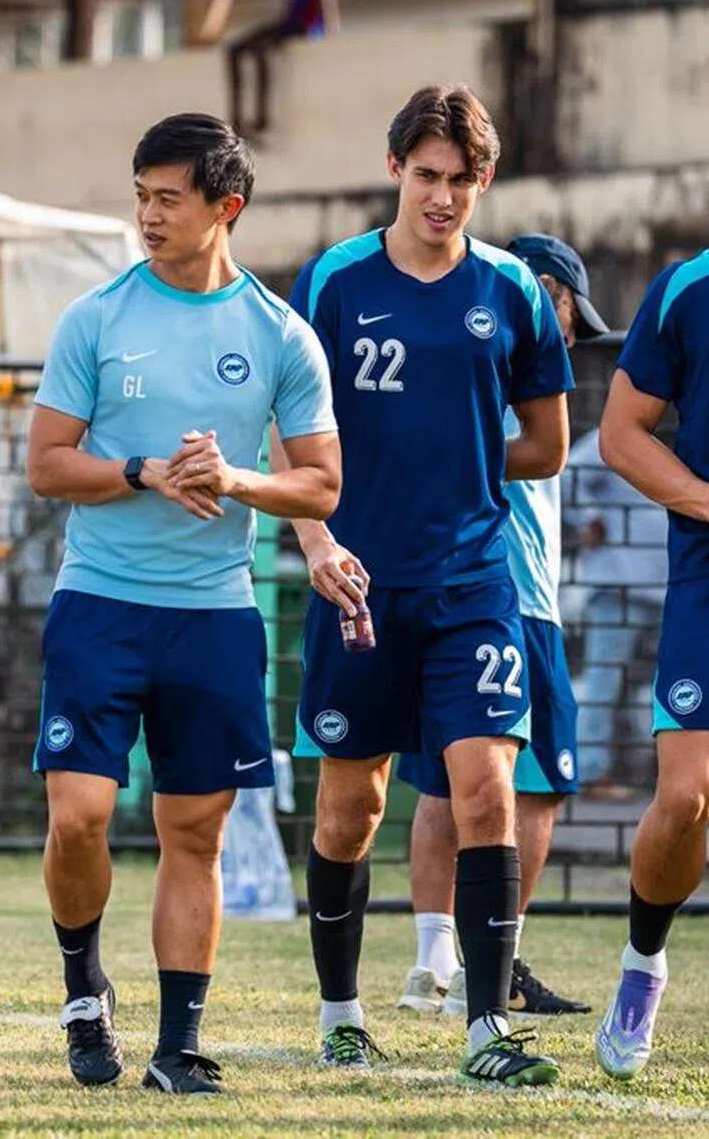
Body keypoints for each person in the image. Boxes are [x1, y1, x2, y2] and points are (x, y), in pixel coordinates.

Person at [26, 112, 339, 1096]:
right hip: (101, 607)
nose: (147, 215)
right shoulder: (96, 317)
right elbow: (46, 463)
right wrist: (142, 471)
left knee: (194, 832)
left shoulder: (282, 335)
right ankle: (85, 989)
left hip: (214, 616)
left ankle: (179, 1046)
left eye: (168, 198)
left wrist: (238, 480)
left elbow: (322, 486)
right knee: (78, 816)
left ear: (225, 208)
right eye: (141, 195)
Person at [279, 85, 572, 1085]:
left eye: (464, 181)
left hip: (474, 581)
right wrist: (317, 542)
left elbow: (546, 444)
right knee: (349, 813)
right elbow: (284, 428)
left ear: (485, 183)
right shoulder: (333, 280)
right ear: (395, 167)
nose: (444, 197)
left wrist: (463, 459)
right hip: (358, 583)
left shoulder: (513, 291)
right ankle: (342, 1014)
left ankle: (487, 1026)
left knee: (486, 785)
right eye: (428, 176)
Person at [395, 234, 608, 1020]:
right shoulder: (497, 348)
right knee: (531, 786)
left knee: (453, 782)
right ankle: (481, 963)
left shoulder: (484, 355)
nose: (576, 333)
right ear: (540, 289)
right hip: (503, 594)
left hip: (469, 589)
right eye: (569, 311)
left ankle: (446, 962)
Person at [593, 247, 709, 1079]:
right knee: (686, 796)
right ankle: (642, 965)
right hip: (704, 575)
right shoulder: (686, 287)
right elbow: (621, 434)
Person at [566, 425, 667, 798]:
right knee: (603, 682)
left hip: (668, 584)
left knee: (674, 684)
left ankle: (680, 772)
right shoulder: (610, 434)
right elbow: (567, 474)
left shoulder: (681, 434)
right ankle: (593, 774)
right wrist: (588, 518)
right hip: (618, 582)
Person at [226, 0, 339, 139]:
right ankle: (240, 116)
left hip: (304, 28)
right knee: (236, 50)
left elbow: (329, 16)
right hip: (290, 25)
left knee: (258, 51)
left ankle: (261, 117)